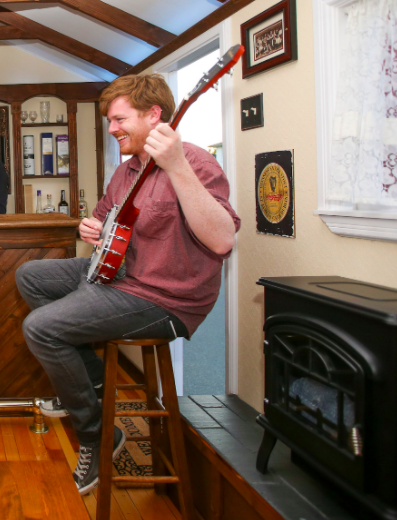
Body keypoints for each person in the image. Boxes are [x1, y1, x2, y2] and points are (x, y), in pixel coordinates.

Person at [15, 74, 240, 495]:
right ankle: (92, 385)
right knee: (31, 275)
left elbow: (223, 239)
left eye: (120, 120)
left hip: (165, 297)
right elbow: (103, 219)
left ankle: (98, 434)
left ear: (154, 115)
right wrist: (92, 227)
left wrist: (175, 167)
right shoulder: (126, 171)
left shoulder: (196, 164)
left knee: (41, 328)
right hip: (122, 276)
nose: (113, 128)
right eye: (110, 122)